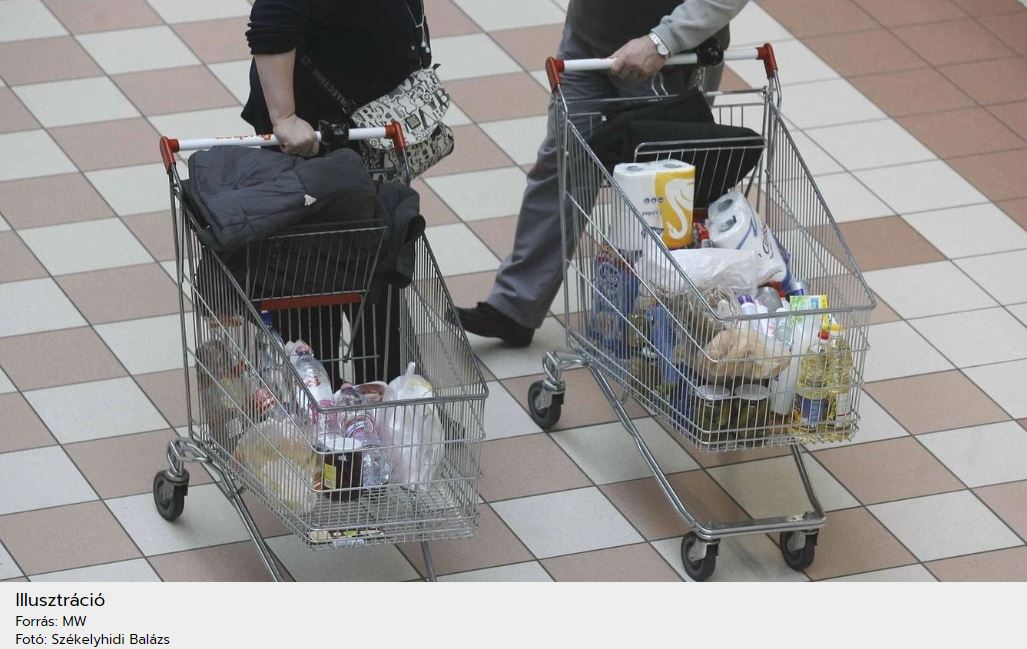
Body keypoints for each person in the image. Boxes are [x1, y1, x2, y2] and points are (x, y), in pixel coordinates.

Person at [457, 0, 751, 347]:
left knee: (659, 195)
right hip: (590, 35)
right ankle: (515, 307)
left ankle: (672, 329)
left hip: (666, 57)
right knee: (564, 162)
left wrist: (663, 40)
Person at [241, 0, 434, 385]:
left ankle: (380, 400)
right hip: (314, 143)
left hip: (368, 137)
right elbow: (272, 16)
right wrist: (285, 118)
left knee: (376, 271)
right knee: (313, 280)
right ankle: (321, 402)